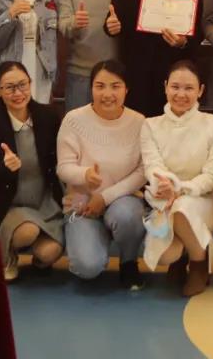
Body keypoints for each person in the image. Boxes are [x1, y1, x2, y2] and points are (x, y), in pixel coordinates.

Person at [56, 60, 147, 286]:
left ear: (126, 89)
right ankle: (97, 236)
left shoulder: (139, 122)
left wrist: (104, 198)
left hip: (123, 200)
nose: (107, 94)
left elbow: (143, 171)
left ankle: (128, 261)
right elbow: (63, 167)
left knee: (127, 216)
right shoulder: (73, 120)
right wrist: (84, 174)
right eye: (100, 86)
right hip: (82, 203)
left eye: (115, 86)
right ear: (91, 89)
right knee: (87, 267)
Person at [140, 60, 213, 297]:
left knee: (182, 209)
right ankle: (185, 254)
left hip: (205, 199)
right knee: (166, 255)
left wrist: (180, 189)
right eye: (175, 87)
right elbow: (153, 166)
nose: (181, 94)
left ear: (200, 90)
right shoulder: (150, 125)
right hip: (164, 198)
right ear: (165, 87)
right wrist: (165, 186)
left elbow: (212, 176)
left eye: (189, 88)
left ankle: (199, 261)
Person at [0, 61, 64, 281]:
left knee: (50, 253)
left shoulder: (48, 117)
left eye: (22, 85)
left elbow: (60, 161)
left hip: (45, 203)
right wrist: (6, 167)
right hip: (12, 205)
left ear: (30, 83)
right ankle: (6, 256)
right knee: (27, 231)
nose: (17, 93)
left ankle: (37, 257)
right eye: (9, 88)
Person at [56, 0, 121, 112]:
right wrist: (75, 23)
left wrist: (120, 26)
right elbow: (63, 26)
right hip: (80, 73)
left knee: (115, 127)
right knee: (78, 127)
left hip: (117, 72)